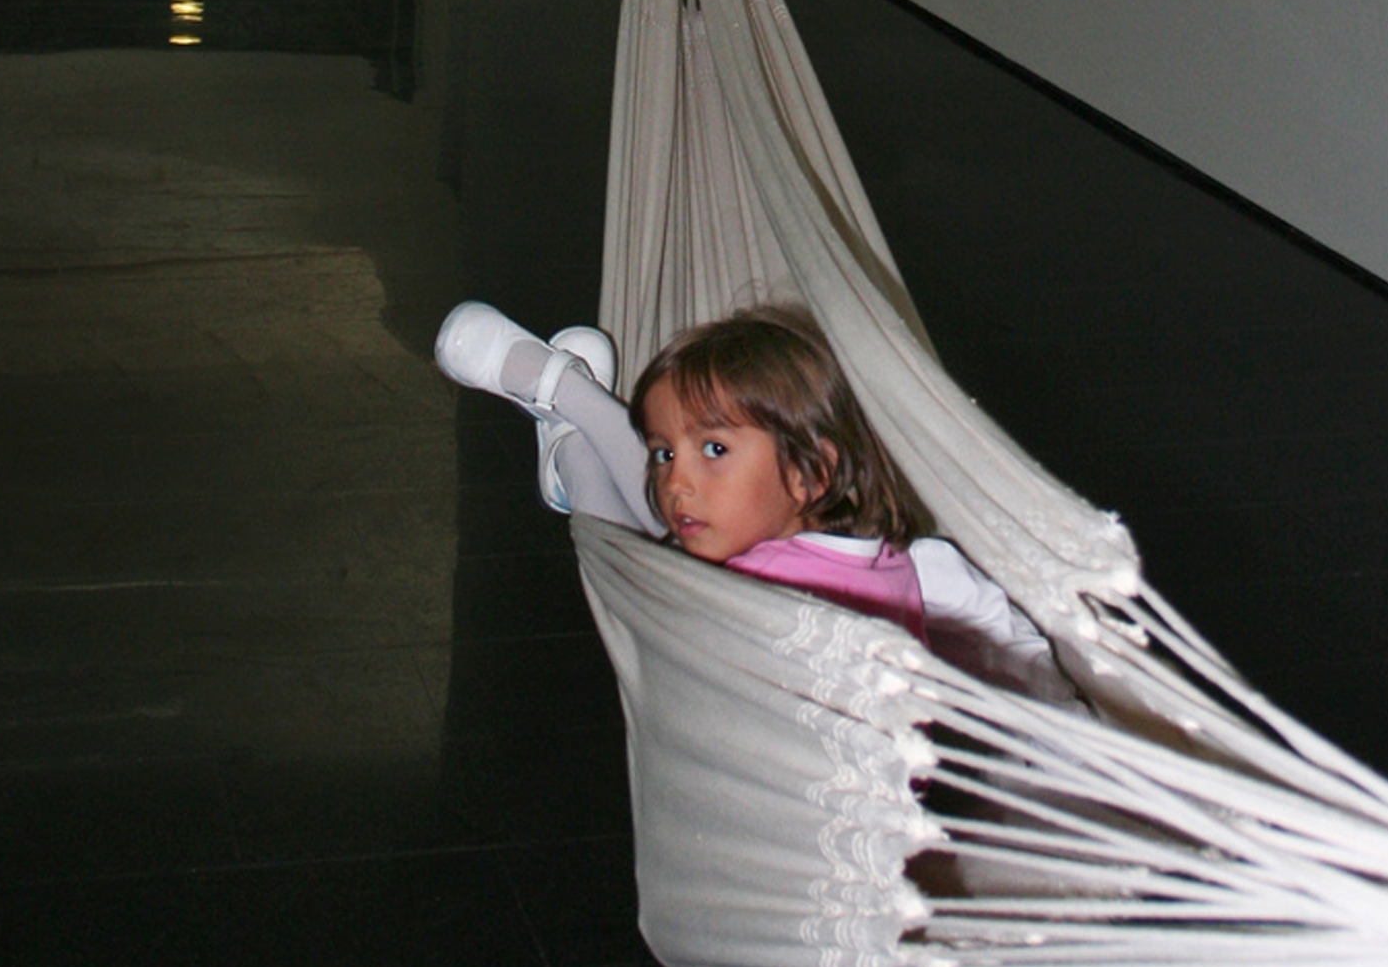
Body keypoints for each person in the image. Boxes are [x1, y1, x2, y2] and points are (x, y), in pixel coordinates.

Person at [436, 298, 1065, 697]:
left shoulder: (760, 589)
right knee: (667, 526)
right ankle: (569, 413)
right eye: (662, 451)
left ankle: (571, 421)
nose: (676, 479)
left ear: (810, 474)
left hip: (812, 792)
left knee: (631, 561)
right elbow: (1006, 637)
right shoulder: (896, 561)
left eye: (715, 449)